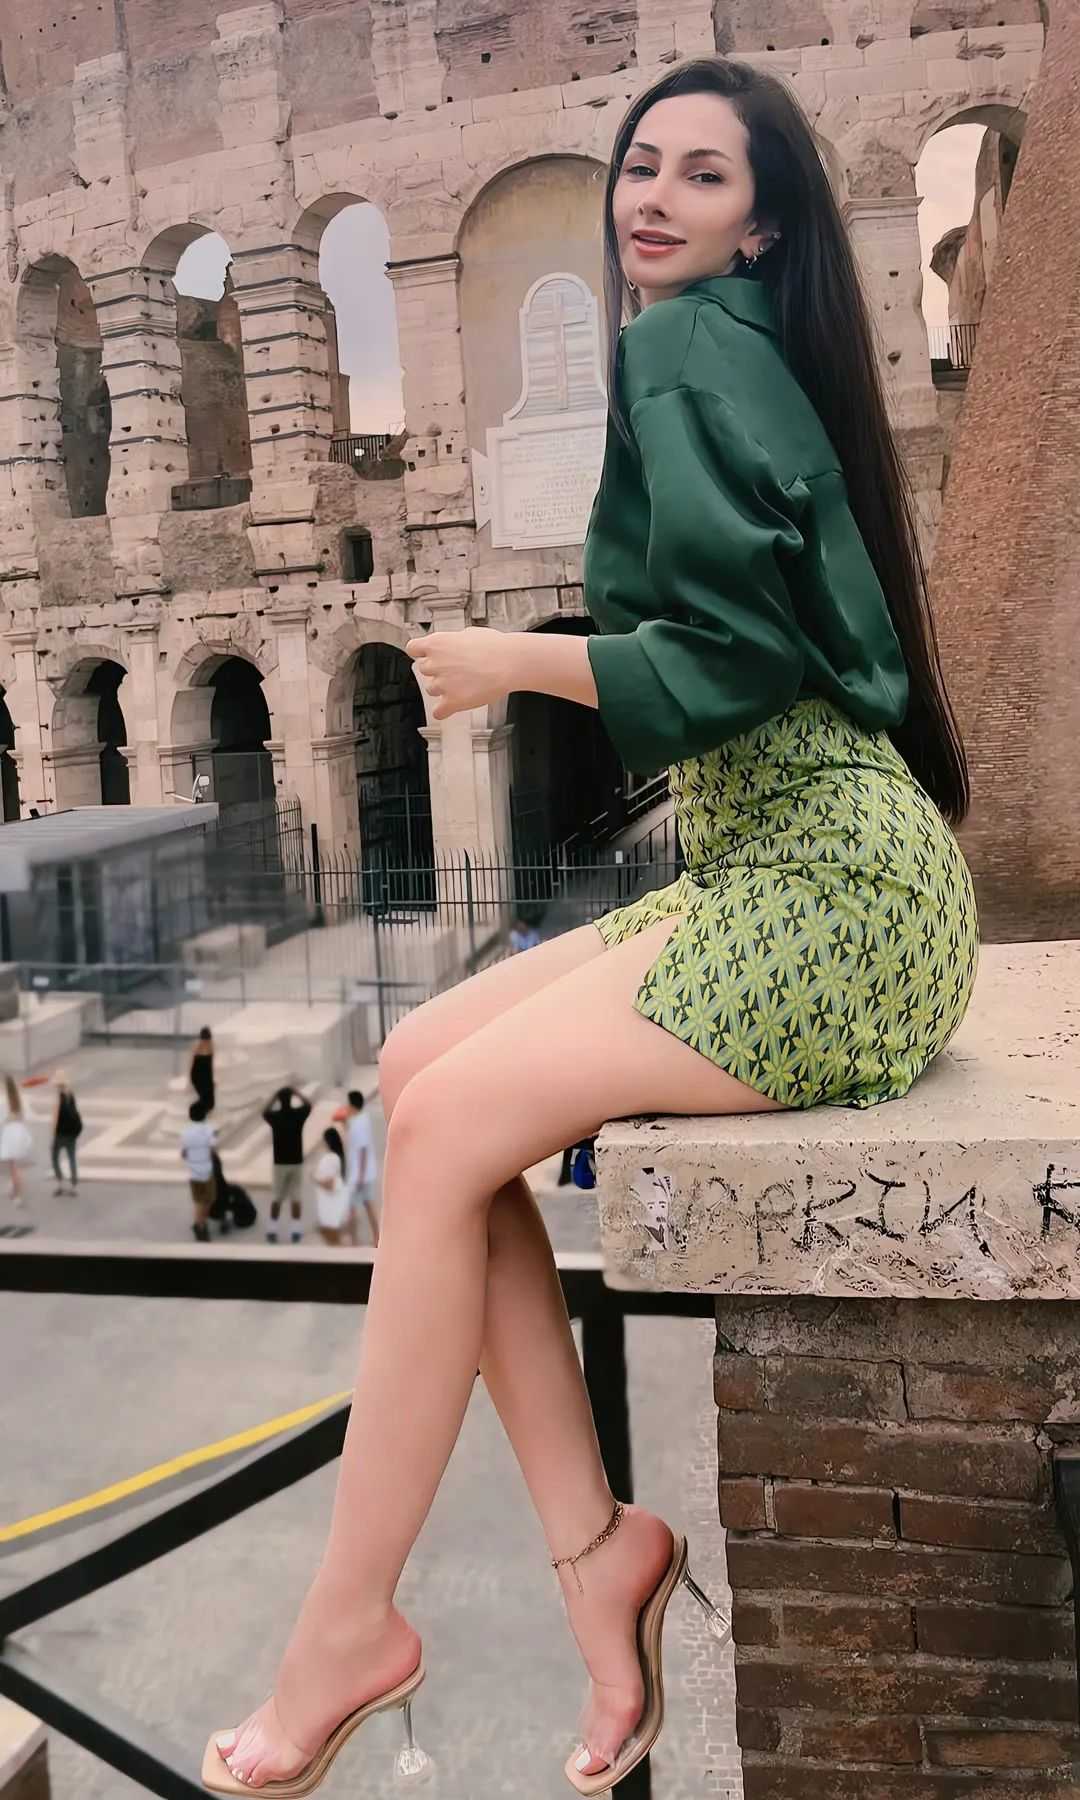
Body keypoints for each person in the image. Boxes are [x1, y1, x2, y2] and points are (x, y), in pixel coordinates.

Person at [202, 57, 978, 1797]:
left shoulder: (687, 347)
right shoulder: (740, 349)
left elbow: (740, 661)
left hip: (836, 896)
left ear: (761, 225)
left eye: (703, 176)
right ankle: (596, 1550)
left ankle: (346, 1625)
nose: (654, 196)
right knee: (419, 1071)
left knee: (441, 1126)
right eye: (643, 164)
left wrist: (515, 660)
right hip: (804, 864)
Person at [262, 1084, 312, 1245]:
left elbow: (264, 1111)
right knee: (296, 1197)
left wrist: (274, 1096)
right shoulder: (298, 1115)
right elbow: (309, 1105)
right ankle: (295, 1230)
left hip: (280, 1162)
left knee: (277, 1197)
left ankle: (272, 1229)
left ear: (279, 1100)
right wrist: (297, 1092)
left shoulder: (275, 1117)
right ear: (291, 1099)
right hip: (296, 1161)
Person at [343, 1090, 379, 1248]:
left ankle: (354, 1241)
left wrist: (360, 1176)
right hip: (365, 1174)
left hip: (359, 1175)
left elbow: (363, 1150)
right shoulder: (362, 1119)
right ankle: (377, 1237)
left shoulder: (358, 1123)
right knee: (368, 1204)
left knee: (352, 1207)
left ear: (352, 1105)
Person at [180, 1099, 216, 1244]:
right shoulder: (208, 1130)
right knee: (207, 1200)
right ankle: (200, 1225)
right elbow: (212, 1149)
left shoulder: (185, 1132)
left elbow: (184, 1153)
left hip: (193, 1172)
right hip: (206, 1170)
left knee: (199, 1200)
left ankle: (199, 1223)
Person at [313, 1127, 351, 1247]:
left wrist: (314, 1178)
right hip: (335, 1206)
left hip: (330, 1208)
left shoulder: (331, 1159)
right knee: (334, 1239)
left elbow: (329, 1184)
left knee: (333, 1240)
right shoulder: (339, 1157)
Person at [0, 1075, 32, 1208]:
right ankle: (13, 1187)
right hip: (20, 1133)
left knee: (13, 1167)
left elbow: (1, 1119)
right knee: (14, 1166)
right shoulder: (19, 1099)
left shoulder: (3, 1101)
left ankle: (17, 1194)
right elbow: (27, 1116)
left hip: (9, 1134)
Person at [51, 1072, 82, 1197]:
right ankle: (73, 1186)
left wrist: (53, 1132)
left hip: (60, 1134)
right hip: (72, 1134)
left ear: (58, 1085)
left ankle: (60, 1184)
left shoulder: (58, 1097)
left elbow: (55, 1117)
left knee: (54, 1157)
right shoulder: (71, 1095)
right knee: (71, 1158)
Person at [190, 1026, 215, 1115]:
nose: (206, 1041)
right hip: (197, 1075)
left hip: (207, 1074)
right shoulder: (196, 1047)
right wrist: (188, 1082)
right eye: (204, 1039)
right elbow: (191, 1064)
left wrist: (212, 1079)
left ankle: (204, 1113)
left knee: (210, 1100)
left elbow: (211, 1065)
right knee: (204, 1097)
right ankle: (200, 1115)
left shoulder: (211, 1046)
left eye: (207, 1039)